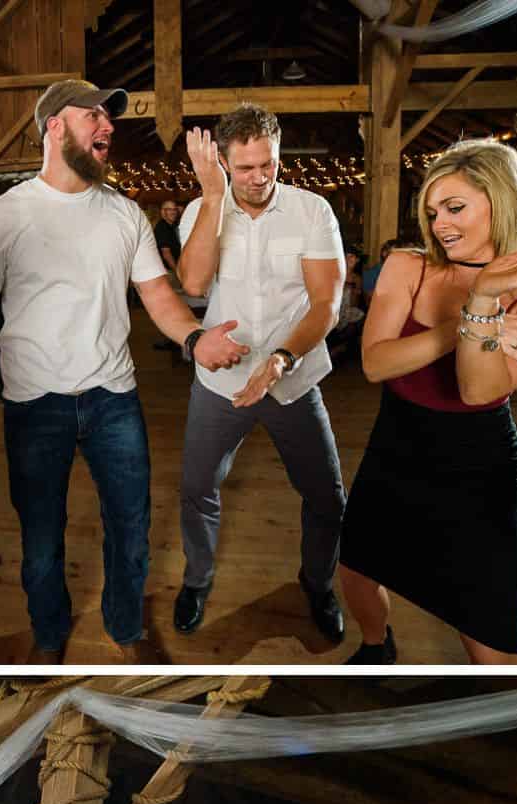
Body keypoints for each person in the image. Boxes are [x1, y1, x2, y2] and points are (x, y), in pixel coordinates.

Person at [0, 80, 248, 665]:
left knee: (132, 530)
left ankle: (126, 626)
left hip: (114, 398)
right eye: (93, 116)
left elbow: (158, 294)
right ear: (54, 126)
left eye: (109, 119)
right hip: (34, 404)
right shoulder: (1, 219)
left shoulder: (125, 213)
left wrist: (192, 337)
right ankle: (49, 636)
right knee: (40, 544)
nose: (107, 127)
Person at [338, 140, 517, 665]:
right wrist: (476, 324)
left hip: (476, 468)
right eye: (433, 212)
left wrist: (482, 304)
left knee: (490, 644)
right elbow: (376, 364)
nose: (440, 224)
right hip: (396, 444)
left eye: (455, 208)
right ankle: (376, 646)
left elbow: (477, 390)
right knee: (356, 567)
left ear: (502, 203)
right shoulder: (407, 265)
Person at [171, 105, 348, 643]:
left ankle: (317, 584)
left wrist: (280, 360)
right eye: (244, 168)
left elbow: (326, 304)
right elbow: (195, 284)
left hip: (292, 381)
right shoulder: (205, 209)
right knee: (197, 486)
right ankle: (198, 579)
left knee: (327, 498)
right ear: (223, 162)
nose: (259, 177)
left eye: (267, 163)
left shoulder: (312, 210)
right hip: (221, 384)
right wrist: (211, 198)